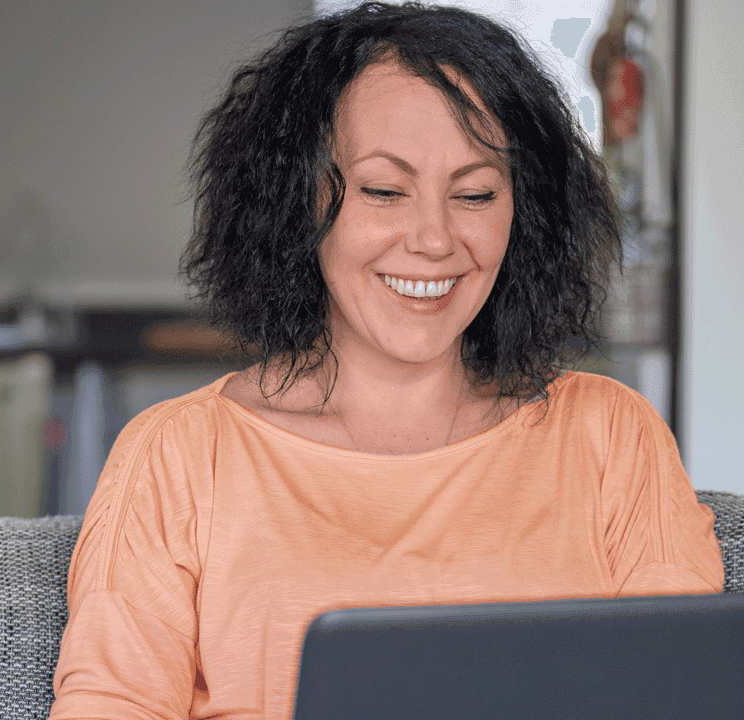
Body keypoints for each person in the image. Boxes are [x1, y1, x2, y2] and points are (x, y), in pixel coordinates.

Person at [49, 3, 723, 718]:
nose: (433, 239)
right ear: (296, 202)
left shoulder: (611, 438)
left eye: (474, 194)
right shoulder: (179, 456)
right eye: (383, 190)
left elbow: (685, 696)